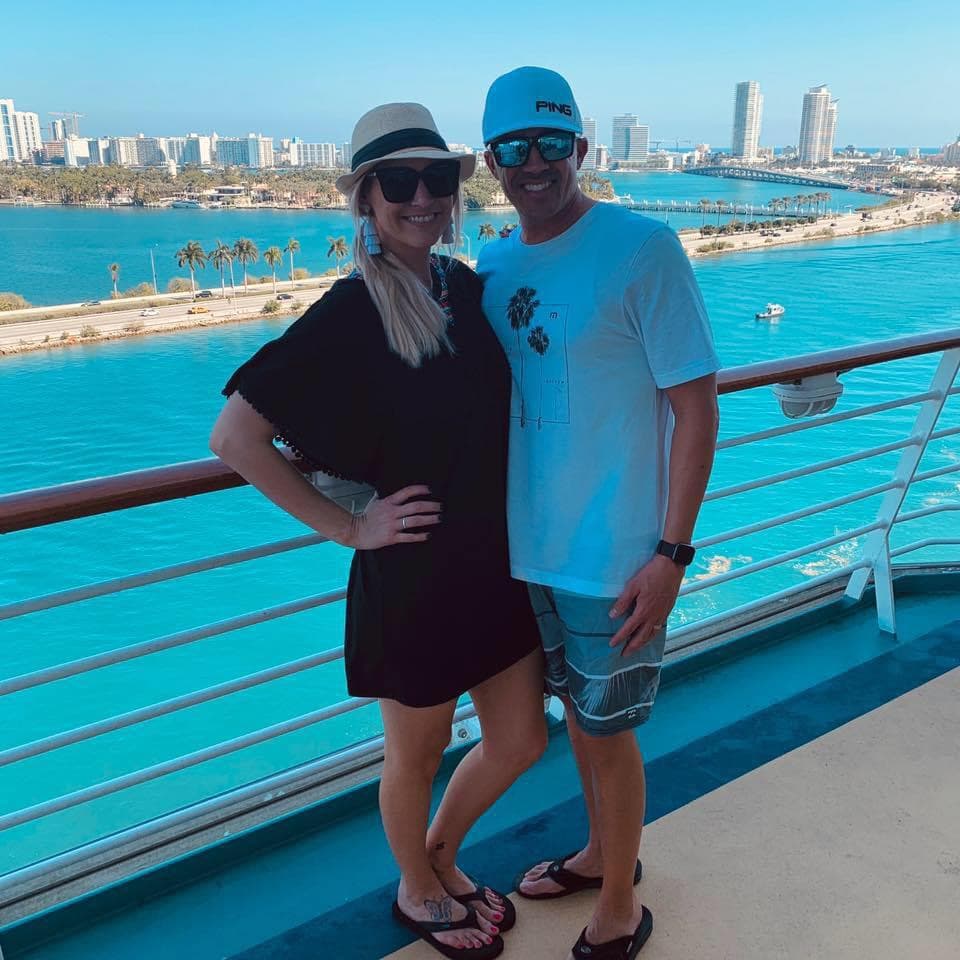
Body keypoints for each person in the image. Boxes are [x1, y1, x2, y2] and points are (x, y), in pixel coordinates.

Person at [210, 102, 547, 960]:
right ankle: (415, 886)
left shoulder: (465, 289)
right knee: (419, 749)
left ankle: (438, 855)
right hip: (415, 573)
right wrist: (352, 529)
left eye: (437, 178)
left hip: (493, 564)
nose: (422, 196)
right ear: (366, 198)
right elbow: (236, 438)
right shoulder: (353, 310)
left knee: (520, 739)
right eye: (399, 182)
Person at [476, 68, 720, 960]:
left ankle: (619, 900)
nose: (533, 164)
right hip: (526, 550)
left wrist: (671, 552)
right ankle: (594, 852)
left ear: (580, 148)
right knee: (578, 722)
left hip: (616, 557)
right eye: (514, 148)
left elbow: (697, 408)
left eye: (552, 144)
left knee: (605, 733)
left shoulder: (643, 248)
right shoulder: (494, 263)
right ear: (490, 159)